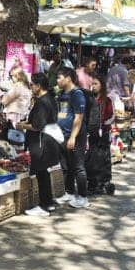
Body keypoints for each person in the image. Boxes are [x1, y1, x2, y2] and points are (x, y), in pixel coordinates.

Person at [18, 73, 61, 215]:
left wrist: (21, 126)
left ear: (38, 86)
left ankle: (43, 206)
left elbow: (37, 125)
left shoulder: (42, 102)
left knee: (41, 172)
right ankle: (48, 202)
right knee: (43, 172)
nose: (31, 87)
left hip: (41, 141)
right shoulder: (51, 99)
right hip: (48, 139)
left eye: (32, 84)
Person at [54, 68, 89, 208]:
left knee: (78, 167)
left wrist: (73, 137)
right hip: (62, 135)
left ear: (68, 78)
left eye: (59, 77)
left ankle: (83, 197)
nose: (57, 80)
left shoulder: (77, 94)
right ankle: (68, 192)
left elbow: (78, 117)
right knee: (65, 166)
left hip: (75, 136)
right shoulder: (62, 94)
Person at [86, 75, 115, 195]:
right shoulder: (89, 99)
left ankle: (103, 183)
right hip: (91, 134)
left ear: (101, 86)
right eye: (92, 84)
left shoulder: (107, 100)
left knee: (103, 159)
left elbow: (111, 116)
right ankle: (92, 183)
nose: (93, 86)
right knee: (91, 159)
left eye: (96, 84)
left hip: (103, 135)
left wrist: (102, 126)